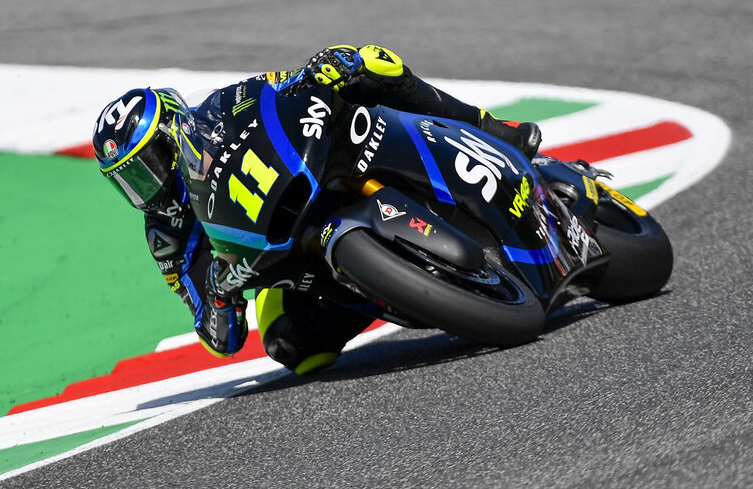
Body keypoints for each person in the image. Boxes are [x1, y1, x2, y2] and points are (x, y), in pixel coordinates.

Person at [91, 45, 542, 375]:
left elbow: (283, 86)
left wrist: (323, 70)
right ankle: (400, 290)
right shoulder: (166, 236)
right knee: (288, 343)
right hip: (288, 256)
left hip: (320, 165)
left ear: (174, 133)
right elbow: (219, 339)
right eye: (129, 181)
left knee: (366, 61)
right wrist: (220, 292)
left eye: (148, 168)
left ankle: (489, 128)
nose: (146, 187)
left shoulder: (220, 107)